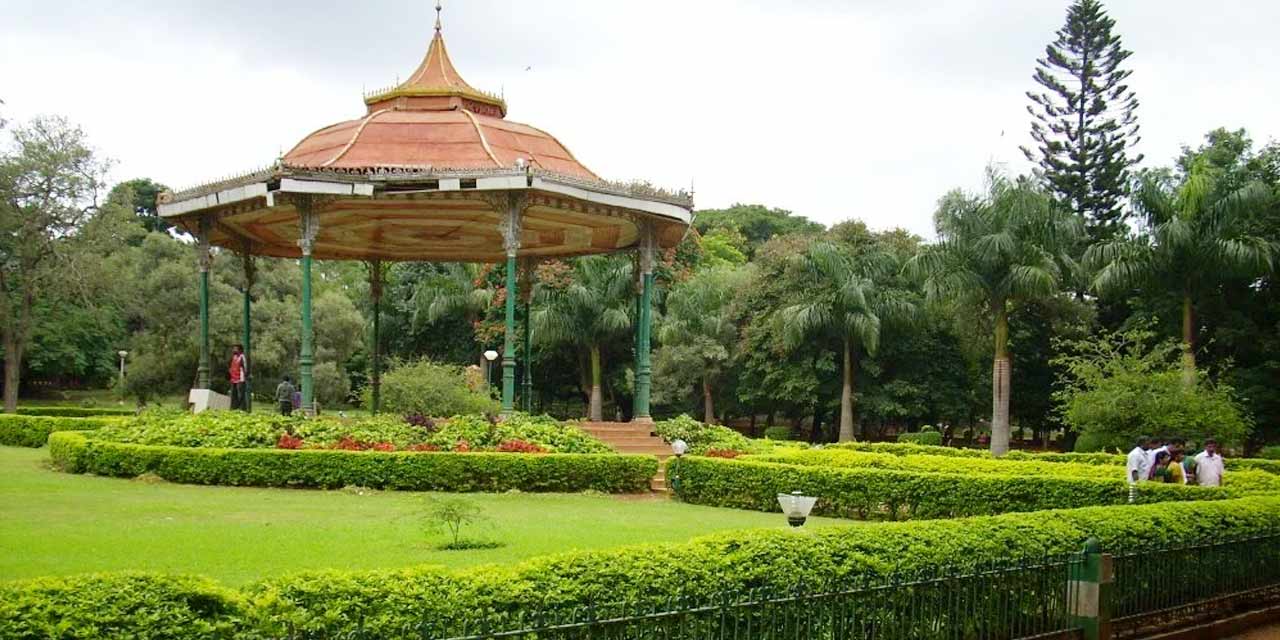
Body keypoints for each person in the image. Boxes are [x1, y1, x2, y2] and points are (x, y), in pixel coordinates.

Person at [228, 345, 248, 411]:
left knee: (241, 395)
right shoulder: (233, 357)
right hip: (233, 379)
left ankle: (242, 408)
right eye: (233, 348)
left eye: (236, 349)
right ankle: (233, 408)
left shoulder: (242, 357)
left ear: (240, 350)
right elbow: (230, 366)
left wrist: (244, 376)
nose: (234, 350)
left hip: (240, 379)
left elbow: (245, 368)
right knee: (233, 394)